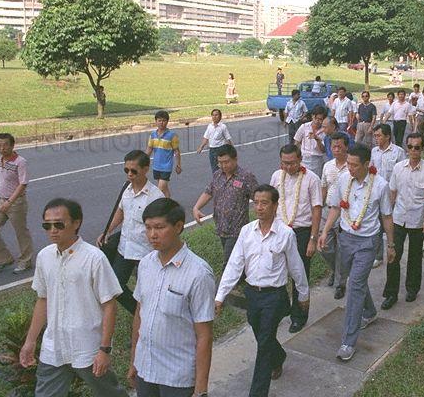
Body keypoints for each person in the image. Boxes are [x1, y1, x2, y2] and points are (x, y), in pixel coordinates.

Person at [20, 198, 128, 397]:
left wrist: (104, 349)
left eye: (59, 224)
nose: (53, 230)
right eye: (47, 225)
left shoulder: (94, 258)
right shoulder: (44, 257)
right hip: (54, 348)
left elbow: (109, 306)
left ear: (76, 223)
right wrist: (30, 341)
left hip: (87, 349)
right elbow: (43, 300)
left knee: (110, 393)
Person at [215, 185, 309, 397]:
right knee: (259, 332)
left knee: (264, 343)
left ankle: (257, 392)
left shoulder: (285, 234)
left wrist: (303, 295)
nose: (259, 207)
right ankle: (278, 356)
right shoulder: (246, 232)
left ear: (275, 206)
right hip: (252, 295)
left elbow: (296, 267)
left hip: (274, 296)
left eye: (264, 203)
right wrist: (220, 295)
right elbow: (234, 265)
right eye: (256, 203)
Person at [129, 198, 216, 397]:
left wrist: (201, 389)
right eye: (148, 227)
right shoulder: (145, 264)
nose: (152, 235)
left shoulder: (198, 273)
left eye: (159, 227)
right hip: (145, 369)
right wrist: (134, 360)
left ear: (178, 227)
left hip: (177, 377)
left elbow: (204, 335)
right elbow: (139, 314)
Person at [319, 144, 395, 362]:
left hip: (368, 243)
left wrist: (390, 245)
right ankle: (370, 312)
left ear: (366, 164)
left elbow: (387, 217)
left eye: (354, 165)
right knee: (357, 281)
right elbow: (335, 207)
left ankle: (348, 341)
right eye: (348, 164)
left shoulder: (380, 185)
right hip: (346, 239)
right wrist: (324, 232)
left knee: (353, 287)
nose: (350, 168)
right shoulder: (343, 180)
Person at [97, 150, 164, 314]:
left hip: (145, 253)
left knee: (149, 292)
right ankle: (138, 313)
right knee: (116, 286)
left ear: (146, 169)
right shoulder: (126, 190)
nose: (129, 174)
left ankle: (151, 316)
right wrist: (107, 231)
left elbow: (162, 227)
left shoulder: (155, 196)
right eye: (126, 170)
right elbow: (120, 212)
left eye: (134, 171)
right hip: (125, 248)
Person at [382, 133, 424, 309]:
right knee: (393, 255)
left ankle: (412, 289)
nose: (413, 151)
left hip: (418, 220)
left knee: (414, 256)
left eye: (417, 147)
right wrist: (387, 215)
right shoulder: (398, 168)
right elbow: (392, 193)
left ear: (422, 149)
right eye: (410, 147)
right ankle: (391, 293)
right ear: (406, 147)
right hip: (398, 219)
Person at [269, 144, 322, 333]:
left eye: (292, 163)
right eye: (284, 163)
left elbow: (317, 209)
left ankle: (299, 316)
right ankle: (283, 308)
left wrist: (313, 239)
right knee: (277, 271)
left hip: (302, 232)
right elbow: (272, 203)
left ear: (300, 159)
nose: (288, 167)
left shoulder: (311, 179)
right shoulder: (277, 176)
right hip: (280, 231)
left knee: (299, 274)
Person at [192, 144, 259, 271]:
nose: (223, 166)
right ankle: (243, 276)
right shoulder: (217, 175)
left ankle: (227, 288)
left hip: (237, 229)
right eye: (220, 163)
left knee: (228, 264)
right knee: (235, 258)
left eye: (226, 162)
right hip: (221, 226)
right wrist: (196, 207)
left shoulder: (246, 177)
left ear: (235, 159)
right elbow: (208, 192)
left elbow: (258, 199)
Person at [0, 133, 33, 274]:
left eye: (5, 145)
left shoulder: (20, 161)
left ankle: (26, 261)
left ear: (12, 145)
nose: (2, 148)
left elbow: (23, 183)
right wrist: (3, 201)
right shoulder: (1, 160)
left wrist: (10, 202)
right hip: (1, 201)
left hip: (16, 202)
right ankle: (4, 259)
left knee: (21, 233)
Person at [371, 123, 406, 267]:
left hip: (393, 195)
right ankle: (378, 256)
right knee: (377, 225)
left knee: (392, 226)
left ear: (387, 136)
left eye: (379, 136)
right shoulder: (374, 151)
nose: (376, 139)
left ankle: (394, 252)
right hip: (377, 194)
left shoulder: (398, 152)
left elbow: (403, 175)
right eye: (375, 136)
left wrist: (396, 196)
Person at [320, 133, 350, 299]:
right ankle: (336, 270)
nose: (336, 150)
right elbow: (324, 187)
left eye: (339, 146)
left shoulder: (352, 165)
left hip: (346, 213)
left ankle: (340, 283)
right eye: (333, 146)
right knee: (325, 246)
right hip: (328, 210)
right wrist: (320, 206)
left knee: (343, 249)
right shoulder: (327, 166)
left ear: (346, 146)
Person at [146, 110, 182, 198]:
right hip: (156, 166)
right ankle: (169, 206)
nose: (162, 123)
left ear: (167, 121)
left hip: (166, 167)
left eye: (164, 120)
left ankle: (154, 208)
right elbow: (149, 149)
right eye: (159, 120)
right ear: (156, 121)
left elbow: (176, 151)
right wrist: (143, 162)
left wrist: (178, 165)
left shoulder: (172, 136)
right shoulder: (153, 135)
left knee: (159, 190)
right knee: (165, 190)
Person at [293, 105, 327, 178]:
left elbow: (323, 150)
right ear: (312, 116)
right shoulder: (304, 127)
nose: (318, 121)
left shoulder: (325, 131)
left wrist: (317, 140)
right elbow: (296, 142)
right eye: (316, 118)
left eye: (321, 119)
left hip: (317, 162)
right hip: (304, 161)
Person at [196, 109, 233, 174]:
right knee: (214, 169)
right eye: (213, 115)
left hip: (221, 150)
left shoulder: (223, 127)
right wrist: (201, 147)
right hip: (212, 151)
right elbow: (206, 138)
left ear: (220, 116)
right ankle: (217, 183)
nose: (214, 117)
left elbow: (228, 139)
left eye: (216, 115)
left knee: (222, 168)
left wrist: (232, 152)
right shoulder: (210, 126)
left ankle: (224, 182)